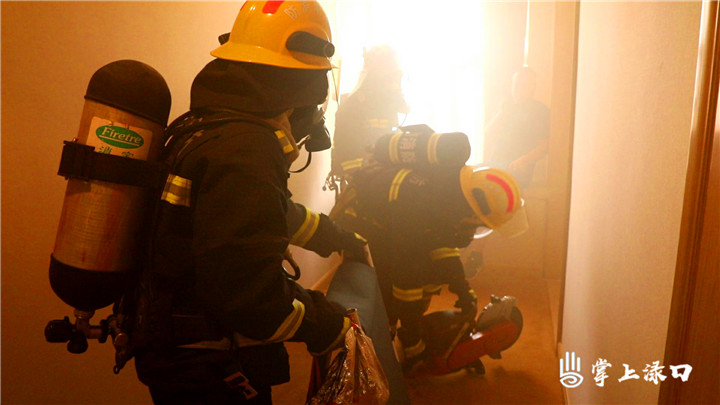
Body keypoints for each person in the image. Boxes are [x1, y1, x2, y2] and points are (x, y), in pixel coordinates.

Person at [132, 2, 366, 403]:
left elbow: (259, 214)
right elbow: (253, 302)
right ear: (300, 91)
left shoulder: (214, 128)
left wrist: (333, 236)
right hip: (210, 367)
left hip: (180, 351)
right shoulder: (248, 151)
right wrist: (326, 324)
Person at [330, 161, 526, 371]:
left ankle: (393, 329)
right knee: (390, 287)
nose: (473, 232)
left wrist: (463, 288)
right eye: (478, 224)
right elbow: (407, 278)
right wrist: (413, 339)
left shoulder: (447, 199)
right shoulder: (418, 209)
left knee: (423, 273)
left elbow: (443, 246)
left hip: (391, 228)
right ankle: (382, 339)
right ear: (471, 210)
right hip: (362, 227)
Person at [328, 45, 408, 191]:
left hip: (384, 178)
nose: (394, 83)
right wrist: (362, 177)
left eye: (396, 77)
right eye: (390, 77)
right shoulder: (354, 105)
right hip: (361, 183)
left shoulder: (387, 105)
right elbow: (348, 152)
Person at [484, 66, 549, 188]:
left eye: (524, 85)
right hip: (494, 163)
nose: (518, 89)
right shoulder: (507, 108)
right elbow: (487, 136)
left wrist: (523, 160)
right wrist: (501, 113)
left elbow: (544, 146)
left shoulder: (539, 110)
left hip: (514, 168)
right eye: (516, 84)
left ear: (533, 87)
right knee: (464, 176)